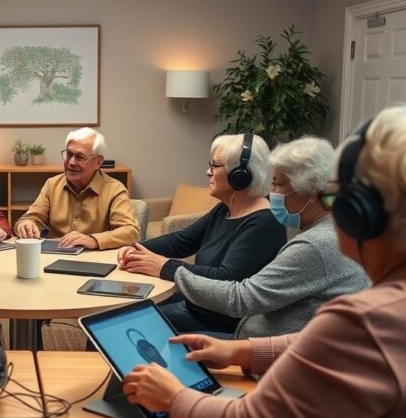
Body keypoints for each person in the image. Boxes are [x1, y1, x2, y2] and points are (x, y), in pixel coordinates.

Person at [122, 105, 406, 418]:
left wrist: (173, 397)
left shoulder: (366, 322)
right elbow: (351, 352)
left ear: (362, 213)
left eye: (333, 199)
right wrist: (245, 351)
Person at [172, 137, 368, 339]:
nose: (271, 193)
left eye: (277, 184)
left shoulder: (315, 245)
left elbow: (242, 299)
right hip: (271, 341)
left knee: (164, 337)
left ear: (311, 192)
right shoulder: (339, 228)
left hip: (267, 351)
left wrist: (172, 271)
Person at [119, 133, 286, 336]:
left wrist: (163, 266)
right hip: (196, 305)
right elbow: (180, 241)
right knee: (114, 312)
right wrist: (135, 248)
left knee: (117, 324)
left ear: (240, 175)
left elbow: (226, 279)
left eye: (215, 165)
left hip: (216, 323)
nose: (208, 172)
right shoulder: (225, 209)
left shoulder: (263, 224)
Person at [13, 127, 139, 249]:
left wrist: (93, 240)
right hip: (54, 256)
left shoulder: (114, 189)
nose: (71, 162)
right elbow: (32, 217)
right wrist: (25, 224)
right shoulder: (52, 184)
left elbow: (130, 232)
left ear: (98, 162)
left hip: (94, 259)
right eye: (69, 154)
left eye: (80, 157)